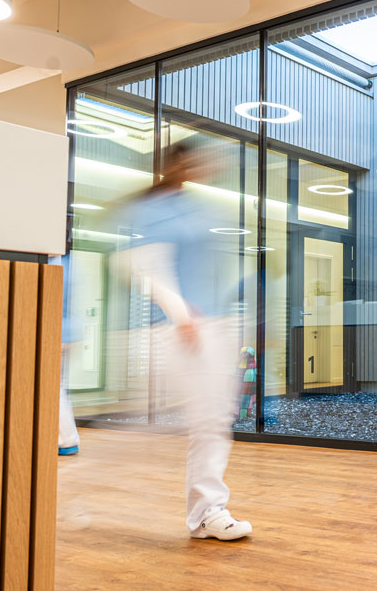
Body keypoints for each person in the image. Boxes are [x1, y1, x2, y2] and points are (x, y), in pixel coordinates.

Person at [116, 139, 251, 541]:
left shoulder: (198, 208)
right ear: (175, 164)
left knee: (215, 419)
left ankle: (205, 512)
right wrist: (180, 314)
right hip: (179, 329)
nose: (205, 166)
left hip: (210, 325)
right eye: (195, 160)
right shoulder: (151, 209)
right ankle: (208, 512)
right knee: (209, 420)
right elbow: (144, 268)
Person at [57, 252, 81, 456]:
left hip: (57, 332)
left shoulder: (56, 263)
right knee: (58, 387)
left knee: (54, 388)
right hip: (68, 332)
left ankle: (67, 440)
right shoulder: (72, 264)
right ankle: (66, 438)